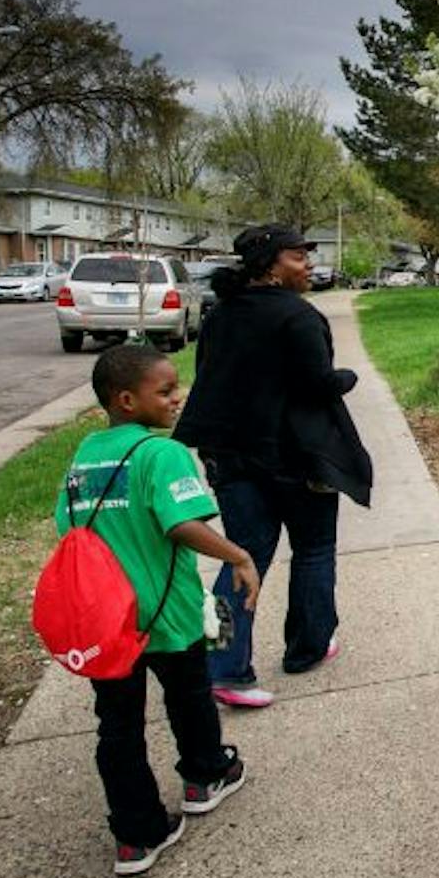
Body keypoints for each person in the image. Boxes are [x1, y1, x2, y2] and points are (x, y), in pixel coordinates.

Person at [56, 344, 260, 875]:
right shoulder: (160, 453)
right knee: (189, 697)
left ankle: (135, 834)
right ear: (127, 400)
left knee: (117, 725)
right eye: (165, 391)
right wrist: (238, 555)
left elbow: (67, 528)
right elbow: (181, 524)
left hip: (108, 620)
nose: (177, 398)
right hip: (167, 611)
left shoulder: (85, 455)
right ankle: (205, 775)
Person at [176, 224, 372, 709]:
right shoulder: (298, 317)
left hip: (233, 458)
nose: (308, 264)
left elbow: (210, 378)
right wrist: (344, 377)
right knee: (313, 549)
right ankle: (307, 648)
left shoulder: (221, 316)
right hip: (297, 460)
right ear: (270, 264)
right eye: (298, 256)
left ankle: (223, 668)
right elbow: (316, 384)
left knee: (240, 559)